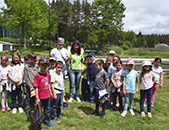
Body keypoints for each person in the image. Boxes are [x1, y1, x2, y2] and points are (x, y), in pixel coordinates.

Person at [34, 58, 53, 129]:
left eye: (45, 65)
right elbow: (36, 87)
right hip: (40, 97)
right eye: (42, 65)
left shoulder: (48, 74)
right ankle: (38, 125)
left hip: (47, 96)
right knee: (39, 111)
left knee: (47, 110)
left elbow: (48, 84)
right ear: (39, 65)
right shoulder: (37, 75)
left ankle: (47, 121)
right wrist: (37, 98)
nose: (44, 67)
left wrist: (50, 93)